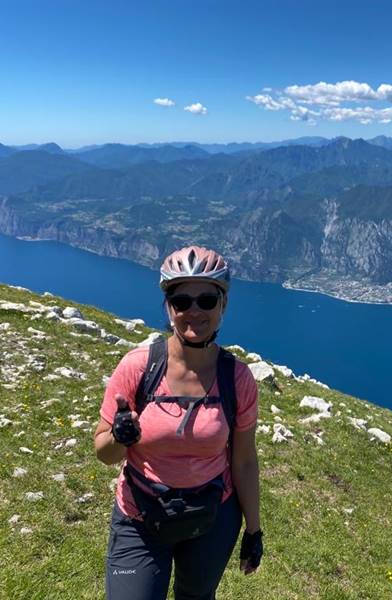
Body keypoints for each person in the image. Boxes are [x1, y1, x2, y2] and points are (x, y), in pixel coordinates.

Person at [94, 245, 262, 600]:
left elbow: (244, 460)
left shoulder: (238, 379)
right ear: (169, 307)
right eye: (181, 300)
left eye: (206, 300)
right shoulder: (138, 367)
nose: (194, 311)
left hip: (212, 518)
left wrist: (254, 530)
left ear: (223, 305)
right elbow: (105, 454)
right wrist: (120, 437)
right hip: (139, 518)